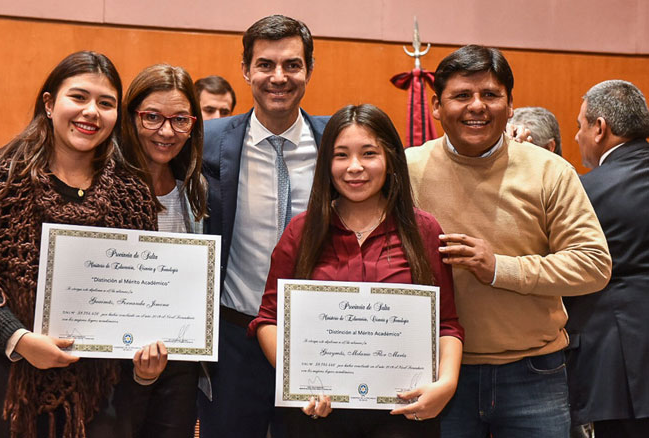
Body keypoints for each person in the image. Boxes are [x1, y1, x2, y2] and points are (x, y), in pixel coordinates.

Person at [0, 51, 163, 438]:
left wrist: (143, 366)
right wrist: (18, 339)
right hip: (4, 389)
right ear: (50, 103)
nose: (91, 112)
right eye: (79, 97)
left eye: (105, 103)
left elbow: (136, 293)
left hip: (95, 396)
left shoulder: (132, 194)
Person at [404, 45, 612, 438]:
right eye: (462, 95)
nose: (477, 106)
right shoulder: (406, 169)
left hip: (534, 372)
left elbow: (593, 265)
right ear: (435, 106)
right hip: (435, 374)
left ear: (511, 104)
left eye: (490, 95)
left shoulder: (549, 171)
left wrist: (500, 268)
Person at [250, 104, 464, 437]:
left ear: (391, 158)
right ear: (326, 164)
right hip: (318, 416)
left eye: (368, 153)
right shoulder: (301, 232)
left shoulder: (423, 230)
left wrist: (447, 383)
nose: (354, 167)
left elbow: (447, 324)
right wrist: (299, 380)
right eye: (341, 155)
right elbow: (268, 319)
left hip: (403, 414)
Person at [199, 14, 329, 438]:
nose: (279, 77)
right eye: (265, 65)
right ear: (245, 70)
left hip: (322, 341)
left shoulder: (337, 143)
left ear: (309, 68)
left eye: (292, 65)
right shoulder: (207, 141)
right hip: (235, 340)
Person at [108, 63, 207, 437]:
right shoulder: (102, 185)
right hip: (109, 365)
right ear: (130, 118)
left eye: (180, 119)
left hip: (179, 364)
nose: (166, 131)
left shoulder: (195, 190)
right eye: (152, 117)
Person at [564, 79, 649, 438]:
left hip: (618, 362)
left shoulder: (585, 191)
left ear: (600, 128)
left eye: (580, 126)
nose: (577, 137)